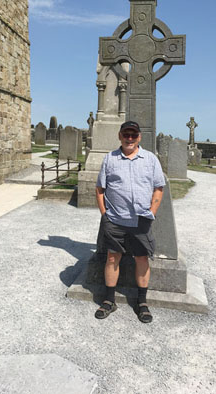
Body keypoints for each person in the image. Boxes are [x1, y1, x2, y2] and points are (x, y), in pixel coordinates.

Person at [94, 121, 165, 323]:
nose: (130, 138)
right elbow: (100, 188)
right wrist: (104, 214)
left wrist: (152, 211)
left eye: (134, 135)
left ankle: (142, 302)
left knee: (141, 258)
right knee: (112, 258)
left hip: (141, 219)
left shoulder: (150, 159)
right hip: (115, 220)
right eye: (126, 134)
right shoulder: (110, 159)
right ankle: (109, 300)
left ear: (139, 137)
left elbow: (159, 187)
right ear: (120, 136)